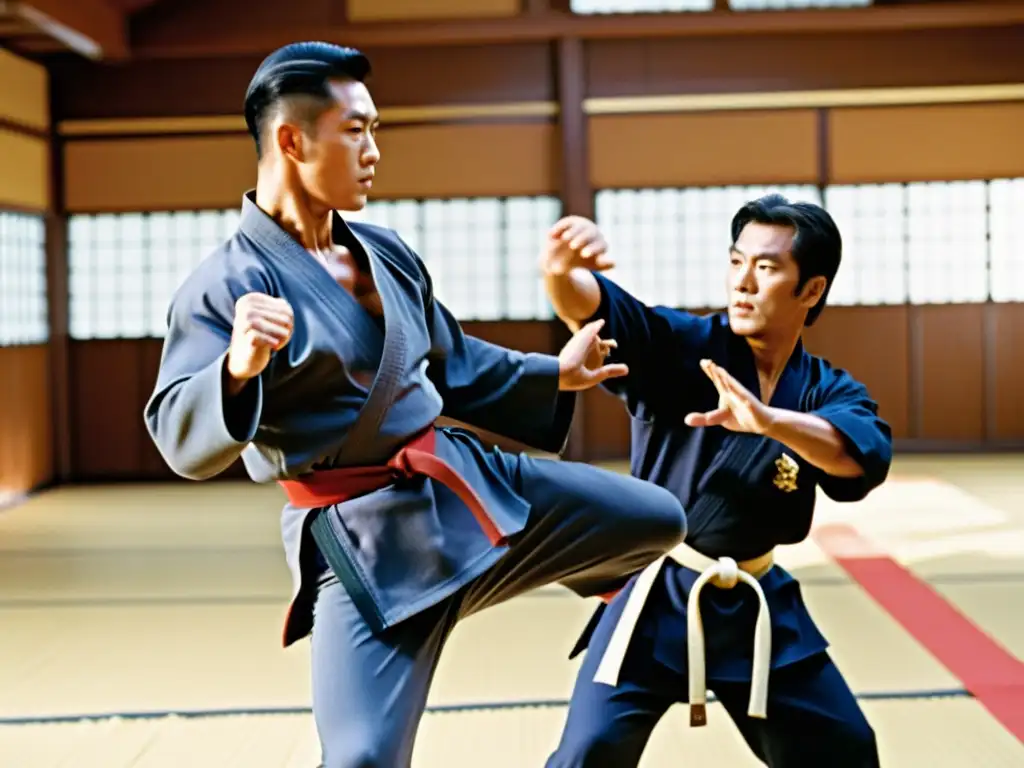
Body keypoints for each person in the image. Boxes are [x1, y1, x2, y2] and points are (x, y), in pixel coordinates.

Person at [142, 41, 687, 768]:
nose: (374, 149)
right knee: (363, 759)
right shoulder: (224, 284)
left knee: (656, 519)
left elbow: (453, 362)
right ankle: (439, 598)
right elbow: (178, 431)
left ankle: (491, 579)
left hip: (464, 490)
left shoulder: (386, 251)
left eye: (376, 129)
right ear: (291, 139)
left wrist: (554, 373)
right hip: (363, 545)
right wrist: (238, 369)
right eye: (356, 129)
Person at [541, 194, 893, 767]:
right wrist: (560, 272)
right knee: (589, 751)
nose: (743, 283)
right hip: (656, 597)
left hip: (756, 605)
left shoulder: (824, 390)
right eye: (736, 262)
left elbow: (862, 455)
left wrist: (770, 421)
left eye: (767, 267)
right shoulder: (686, 349)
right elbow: (597, 308)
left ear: (812, 290)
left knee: (845, 748)